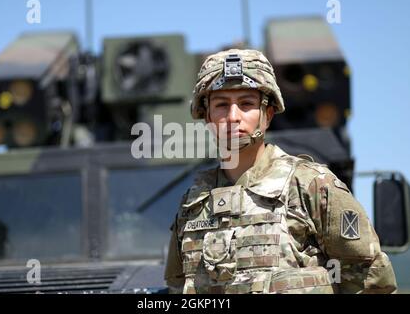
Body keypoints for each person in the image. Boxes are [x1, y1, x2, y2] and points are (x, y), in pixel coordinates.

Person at [164, 49, 397, 294]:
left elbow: (371, 281)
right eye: (221, 105)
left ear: (268, 113)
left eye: (246, 104)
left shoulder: (312, 187)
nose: (233, 117)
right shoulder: (193, 207)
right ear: (207, 116)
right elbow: (177, 287)